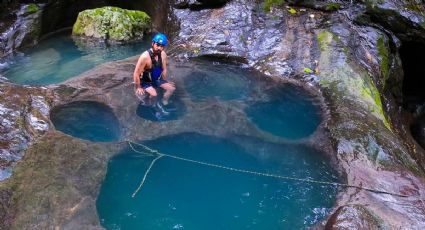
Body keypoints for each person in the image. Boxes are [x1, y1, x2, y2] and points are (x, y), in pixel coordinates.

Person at [133, 33, 175, 107]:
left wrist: (165, 81)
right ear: (152, 43)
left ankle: (164, 100)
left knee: (171, 89)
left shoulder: (163, 54)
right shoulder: (145, 57)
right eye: (157, 45)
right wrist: (138, 87)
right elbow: (136, 73)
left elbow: (164, 69)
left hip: (156, 79)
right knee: (154, 94)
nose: (159, 48)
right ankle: (150, 104)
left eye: (162, 46)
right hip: (146, 81)